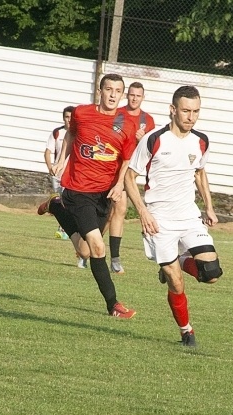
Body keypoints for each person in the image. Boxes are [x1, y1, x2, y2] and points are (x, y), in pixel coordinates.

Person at [123, 85, 222, 348]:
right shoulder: (154, 140)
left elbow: (200, 172)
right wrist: (142, 212)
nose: (191, 117)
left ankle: (175, 261)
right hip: (159, 220)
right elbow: (129, 177)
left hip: (189, 216)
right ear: (173, 110)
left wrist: (209, 207)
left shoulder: (201, 140)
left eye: (196, 111)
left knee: (212, 273)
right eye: (186, 111)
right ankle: (186, 332)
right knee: (176, 283)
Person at [36, 73, 138, 318]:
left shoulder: (127, 123)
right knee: (97, 246)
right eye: (109, 89)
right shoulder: (82, 113)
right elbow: (71, 134)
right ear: (100, 91)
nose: (113, 95)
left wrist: (119, 185)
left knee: (84, 250)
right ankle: (113, 305)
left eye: (118, 91)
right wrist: (62, 160)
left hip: (104, 194)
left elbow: (126, 158)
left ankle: (55, 207)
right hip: (78, 189)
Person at [107, 82, 156, 274]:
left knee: (120, 209)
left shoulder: (148, 121)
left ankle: (114, 260)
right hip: (109, 167)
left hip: (127, 173)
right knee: (107, 214)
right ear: (127, 96)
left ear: (143, 98)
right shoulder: (117, 114)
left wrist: (142, 139)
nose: (135, 98)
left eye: (138, 96)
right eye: (132, 95)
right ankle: (89, 249)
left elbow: (152, 149)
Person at [43, 105, 74, 240]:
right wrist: (50, 166)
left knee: (67, 201)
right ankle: (64, 228)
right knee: (59, 202)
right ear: (63, 118)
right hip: (58, 174)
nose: (69, 120)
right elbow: (48, 151)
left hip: (71, 174)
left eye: (71, 117)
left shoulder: (77, 133)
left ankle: (65, 229)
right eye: (67, 117)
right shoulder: (57, 133)